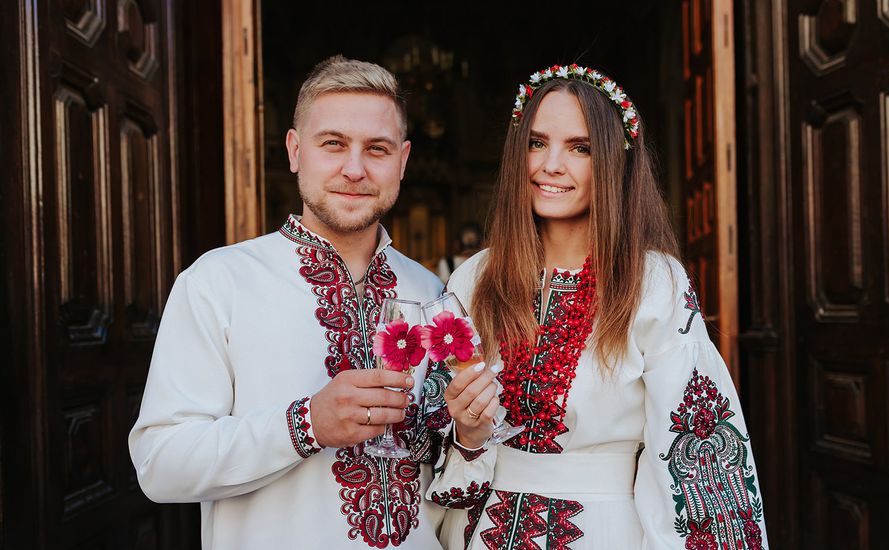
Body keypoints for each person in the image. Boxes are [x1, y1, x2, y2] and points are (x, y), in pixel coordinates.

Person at [426, 64, 768, 549]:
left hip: (606, 530)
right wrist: (467, 431)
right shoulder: (474, 278)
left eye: (580, 148)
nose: (551, 165)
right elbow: (423, 443)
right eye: (537, 143)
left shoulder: (653, 283)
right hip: (483, 530)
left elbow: (695, 451)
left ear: (612, 162)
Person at [129, 56, 450, 549]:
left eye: (377, 149)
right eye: (333, 144)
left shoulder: (431, 292)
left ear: (402, 161)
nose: (354, 168)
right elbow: (160, 463)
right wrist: (306, 424)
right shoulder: (219, 281)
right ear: (295, 151)